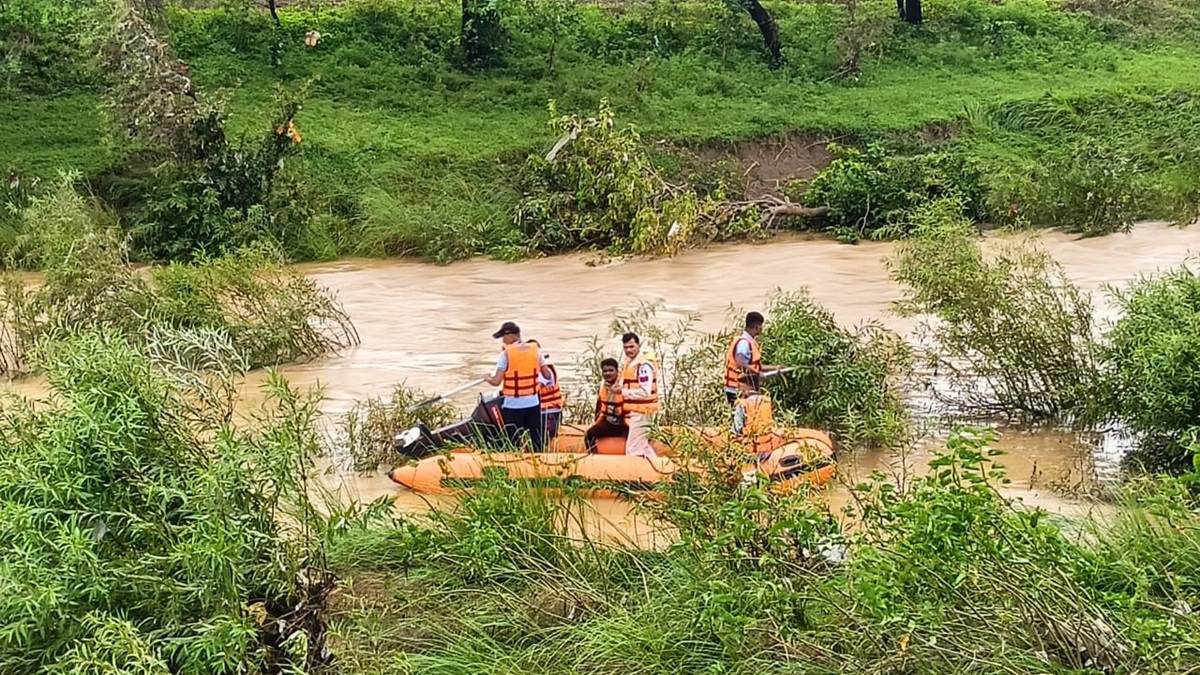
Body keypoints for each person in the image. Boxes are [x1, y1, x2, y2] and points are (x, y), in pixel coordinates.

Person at [484, 322, 553, 451]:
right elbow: (547, 375)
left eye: (503, 338)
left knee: (513, 441)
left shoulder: (505, 355)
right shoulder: (536, 351)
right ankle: (539, 461)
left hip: (513, 405)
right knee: (536, 440)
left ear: (510, 336)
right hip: (533, 403)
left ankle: (515, 464)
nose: (503, 341)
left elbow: (496, 381)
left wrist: (487, 378)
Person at [723, 311, 783, 406]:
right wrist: (759, 374)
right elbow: (740, 362)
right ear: (756, 327)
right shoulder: (744, 343)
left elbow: (755, 366)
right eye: (761, 326)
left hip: (743, 389)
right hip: (737, 390)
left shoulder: (749, 342)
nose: (761, 329)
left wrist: (776, 368)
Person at [620, 332, 660, 459]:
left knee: (633, 448)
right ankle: (659, 473)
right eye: (626, 347)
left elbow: (645, 391)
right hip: (635, 411)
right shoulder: (629, 363)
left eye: (632, 347)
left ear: (638, 345)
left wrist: (623, 393)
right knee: (643, 446)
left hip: (643, 412)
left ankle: (635, 477)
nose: (629, 350)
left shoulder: (644, 366)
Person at [585, 358, 629, 452]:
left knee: (635, 439)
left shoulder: (625, 385)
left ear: (617, 371)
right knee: (589, 434)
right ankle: (593, 457)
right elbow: (600, 408)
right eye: (605, 371)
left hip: (625, 424)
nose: (608, 373)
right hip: (610, 423)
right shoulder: (603, 386)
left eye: (611, 370)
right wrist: (596, 423)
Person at [527, 339, 564, 446]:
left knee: (540, 441)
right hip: (540, 411)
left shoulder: (544, 371)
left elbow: (534, 389)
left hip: (548, 412)